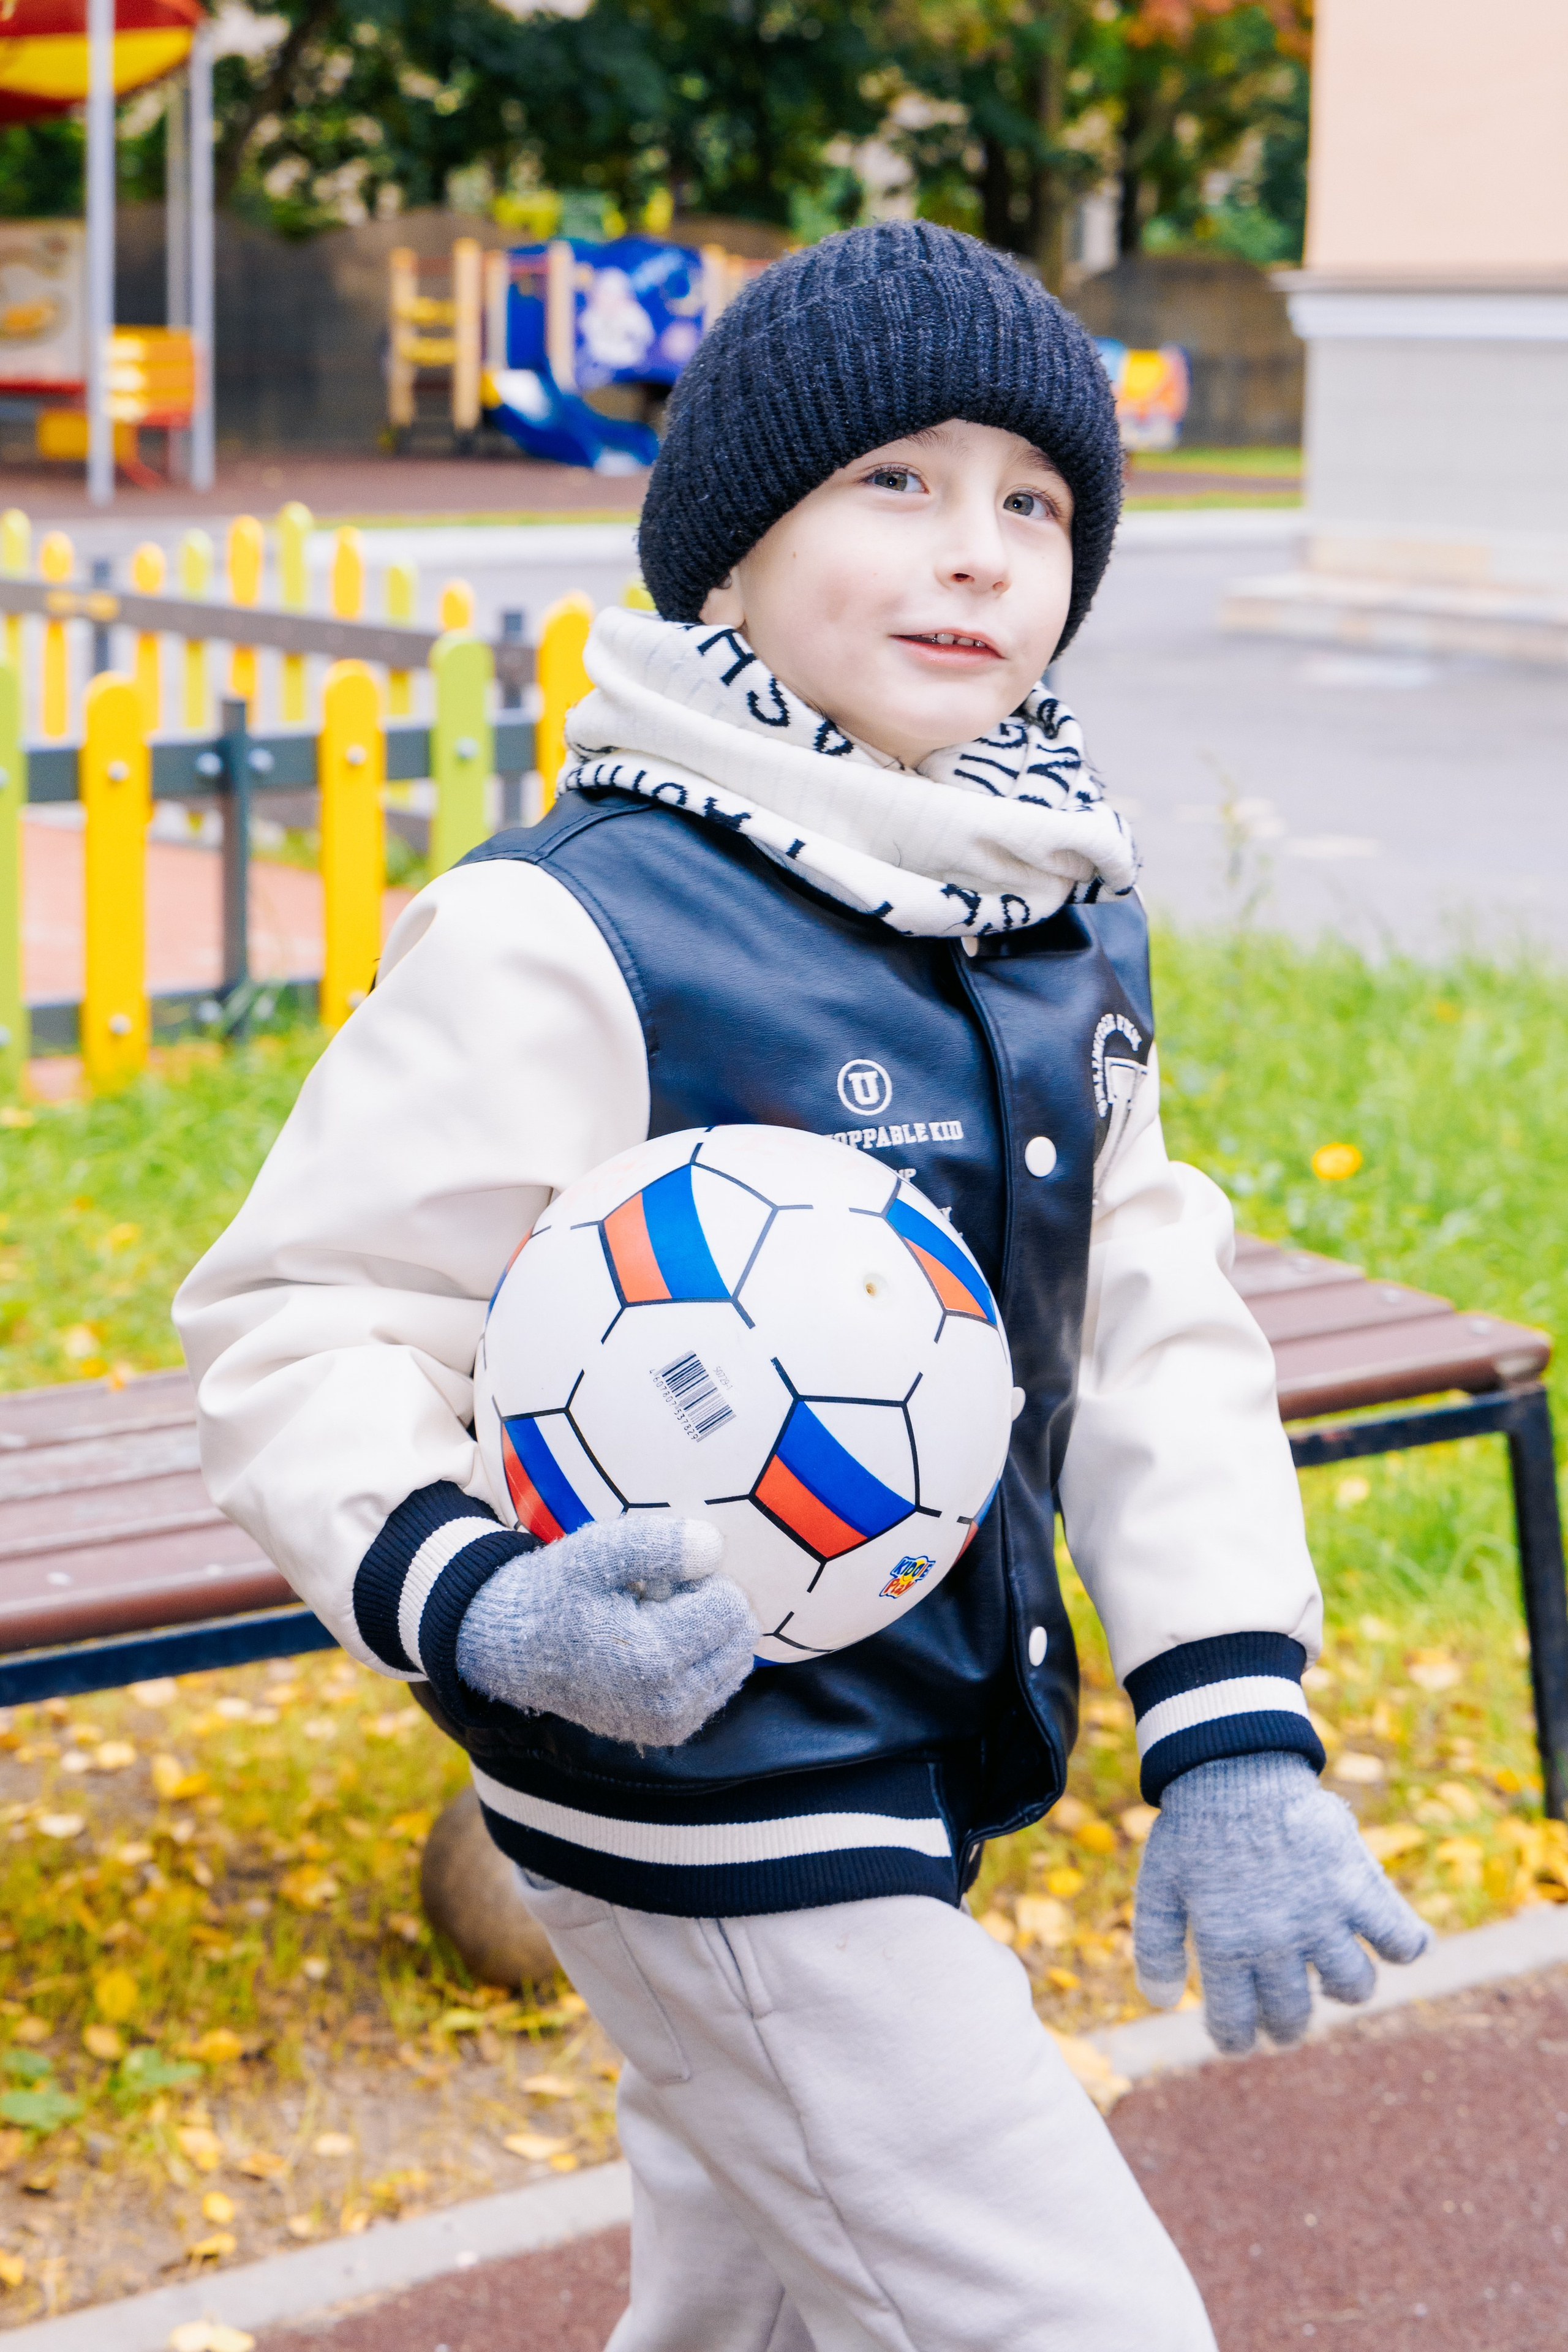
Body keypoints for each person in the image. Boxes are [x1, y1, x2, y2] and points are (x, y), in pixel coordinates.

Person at [176, 222, 1428, 2351]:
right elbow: (306, 1317)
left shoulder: (1043, 920)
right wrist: (482, 1600)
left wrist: (1231, 1726)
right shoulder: (581, 926)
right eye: (899, 483)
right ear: (734, 551)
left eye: (1035, 504)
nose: (979, 554)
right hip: (711, 1799)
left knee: (747, 2311)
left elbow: (1148, 1335)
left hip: (914, 1750)